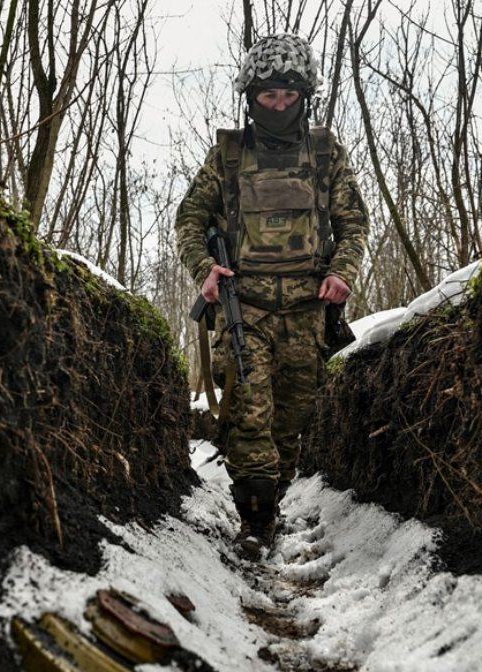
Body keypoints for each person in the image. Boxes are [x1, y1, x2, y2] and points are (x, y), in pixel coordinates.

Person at [175, 33, 369, 560]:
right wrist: (205, 269)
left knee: (290, 423)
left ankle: (272, 500)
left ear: (305, 94)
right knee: (249, 415)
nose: (280, 105)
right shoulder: (230, 155)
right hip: (247, 311)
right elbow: (189, 220)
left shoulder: (326, 153)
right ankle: (255, 523)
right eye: (269, 96)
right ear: (250, 96)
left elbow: (355, 224)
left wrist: (343, 272)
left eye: (289, 95)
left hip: (308, 313)